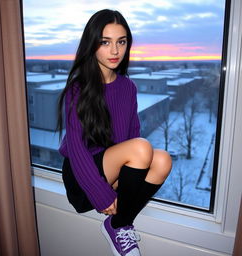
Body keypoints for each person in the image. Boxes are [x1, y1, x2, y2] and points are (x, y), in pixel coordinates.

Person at [57, 9, 172, 256]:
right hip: (81, 177)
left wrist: (127, 180)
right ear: (92, 44)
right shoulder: (78, 89)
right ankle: (120, 225)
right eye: (105, 42)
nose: (115, 51)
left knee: (162, 160)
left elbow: (131, 136)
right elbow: (76, 150)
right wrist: (101, 193)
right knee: (142, 146)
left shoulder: (128, 87)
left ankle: (118, 225)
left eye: (121, 42)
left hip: (112, 168)